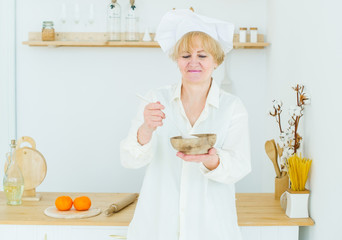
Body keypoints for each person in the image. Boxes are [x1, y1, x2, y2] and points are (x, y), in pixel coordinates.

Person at [120, 9, 251, 240]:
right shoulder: (155, 100)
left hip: (211, 228)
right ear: (176, 59)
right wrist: (146, 130)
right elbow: (129, 159)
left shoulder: (232, 107)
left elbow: (240, 165)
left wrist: (212, 160)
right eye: (185, 55)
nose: (193, 63)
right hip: (157, 226)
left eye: (202, 56)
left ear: (216, 61)